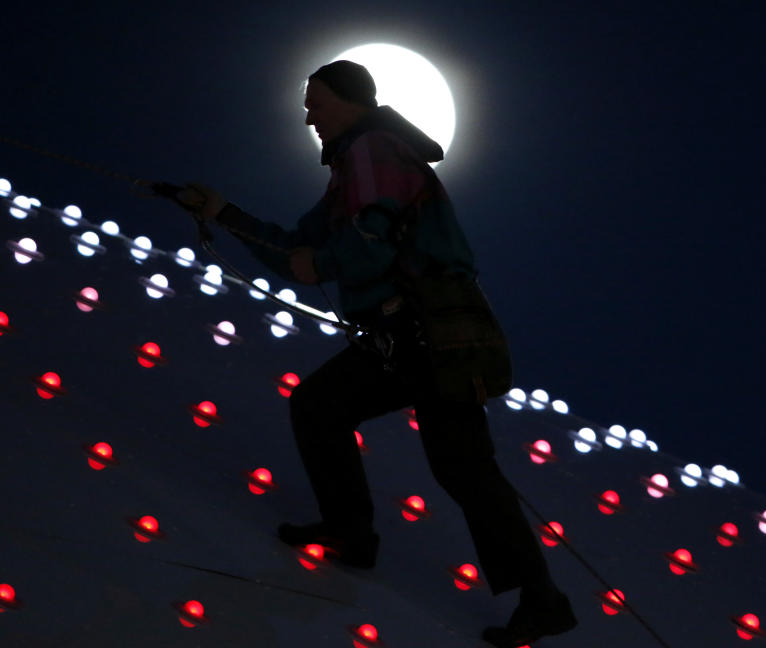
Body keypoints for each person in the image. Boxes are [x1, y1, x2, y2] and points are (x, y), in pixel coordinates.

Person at [174, 60, 577, 647]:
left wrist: (324, 263)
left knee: (370, 428)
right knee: (437, 457)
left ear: (349, 101)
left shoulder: (372, 152)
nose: (309, 116)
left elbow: (368, 240)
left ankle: (526, 595)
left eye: (317, 102)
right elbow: (298, 249)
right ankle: (362, 538)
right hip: (424, 337)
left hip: (424, 335)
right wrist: (223, 215)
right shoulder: (354, 167)